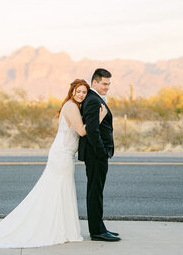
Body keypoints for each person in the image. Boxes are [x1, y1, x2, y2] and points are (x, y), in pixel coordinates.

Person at [0, 79, 107, 249]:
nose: (82, 95)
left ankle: (60, 227)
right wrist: (100, 117)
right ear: (72, 92)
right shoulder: (70, 106)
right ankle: (56, 228)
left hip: (64, 153)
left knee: (59, 190)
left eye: (84, 92)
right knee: (57, 190)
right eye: (79, 91)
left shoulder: (73, 106)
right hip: (62, 154)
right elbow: (83, 131)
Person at [78, 68, 121, 242]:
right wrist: (102, 152)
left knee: (97, 191)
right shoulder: (93, 100)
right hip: (96, 154)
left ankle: (100, 227)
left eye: (109, 84)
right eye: (104, 83)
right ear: (94, 82)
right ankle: (97, 231)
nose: (107, 87)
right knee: (95, 192)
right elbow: (93, 130)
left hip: (96, 153)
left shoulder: (94, 98)